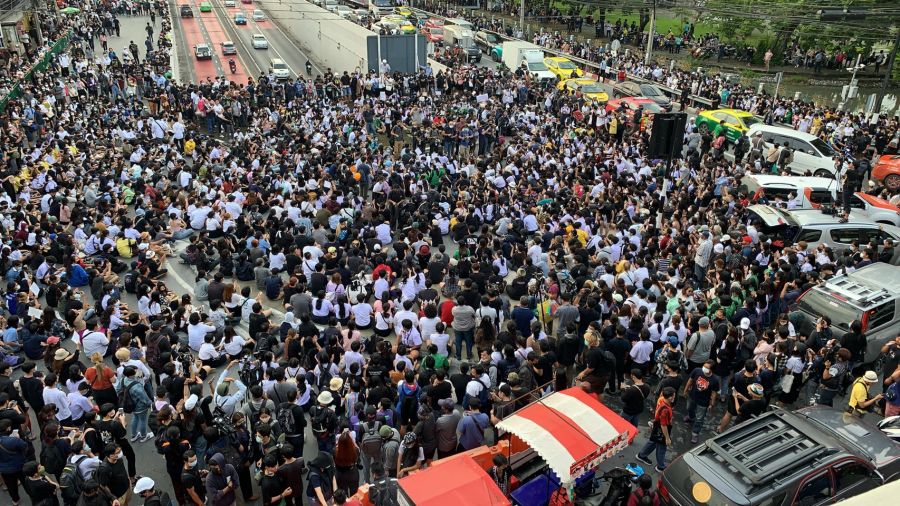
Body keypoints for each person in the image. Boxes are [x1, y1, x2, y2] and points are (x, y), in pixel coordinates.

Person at [636, 387, 675, 472]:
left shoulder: (661, 399)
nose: (674, 397)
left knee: (653, 441)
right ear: (670, 397)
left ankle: (641, 455)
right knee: (662, 447)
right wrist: (667, 438)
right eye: (673, 395)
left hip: (657, 425)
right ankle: (660, 466)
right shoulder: (665, 410)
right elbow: (663, 425)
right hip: (661, 429)